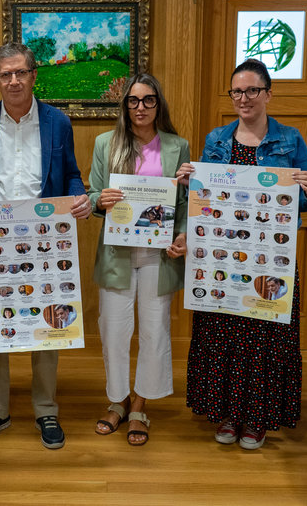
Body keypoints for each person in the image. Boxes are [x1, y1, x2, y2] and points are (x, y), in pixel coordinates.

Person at [177, 58, 307, 450]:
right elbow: (205, 201)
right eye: (237, 91)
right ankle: (226, 412)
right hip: (221, 258)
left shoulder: (290, 140)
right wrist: (193, 182)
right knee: (223, 334)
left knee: (265, 336)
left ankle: (257, 418)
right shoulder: (217, 140)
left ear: (268, 95)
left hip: (272, 257)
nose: (244, 98)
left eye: (252, 90)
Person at [0, 42, 90, 450]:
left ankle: (46, 408)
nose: (13, 80)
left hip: (43, 239)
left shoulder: (57, 122)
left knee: (47, 319)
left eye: (20, 72)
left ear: (34, 75)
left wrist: (79, 196)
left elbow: (71, 174)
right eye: (4, 74)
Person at [88, 73, 189, 446]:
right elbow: (95, 191)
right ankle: (117, 400)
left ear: (158, 104)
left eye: (148, 100)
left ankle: (140, 406)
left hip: (158, 255)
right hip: (117, 251)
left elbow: (184, 203)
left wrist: (182, 234)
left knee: (154, 329)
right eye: (133, 101)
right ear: (124, 106)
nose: (141, 107)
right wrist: (101, 200)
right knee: (113, 330)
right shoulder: (106, 143)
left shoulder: (178, 146)